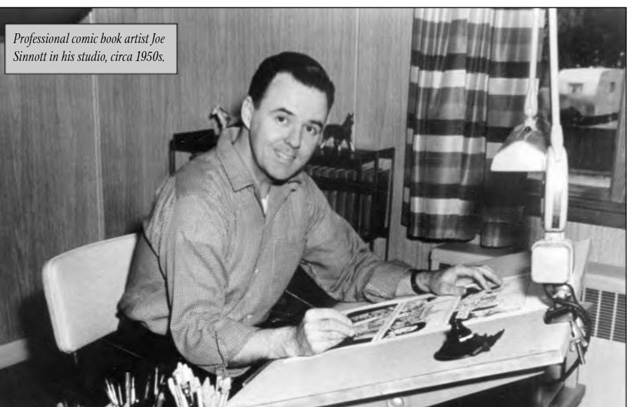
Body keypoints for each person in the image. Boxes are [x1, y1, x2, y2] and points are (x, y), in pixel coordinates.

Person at [118, 51, 501, 376]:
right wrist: (289, 342)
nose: (295, 142)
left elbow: (350, 269)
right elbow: (196, 330)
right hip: (155, 364)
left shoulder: (298, 189)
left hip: (241, 348)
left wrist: (428, 281)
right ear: (249, 112)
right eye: (282, 119)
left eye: (311, 128)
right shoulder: (198, 197)